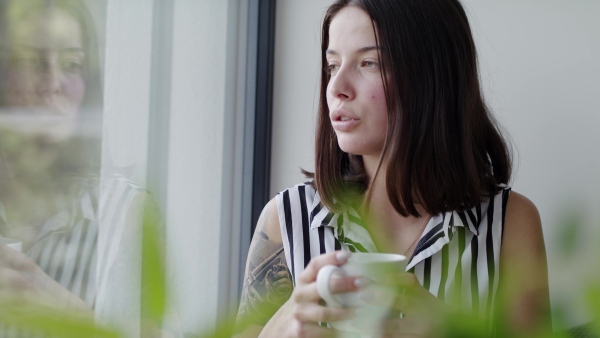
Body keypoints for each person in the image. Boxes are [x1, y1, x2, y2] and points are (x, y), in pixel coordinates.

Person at [234, 0, 550, 337]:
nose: (336, 87)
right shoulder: (285, 221)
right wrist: (277, 330)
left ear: (432, 75)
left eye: (368, 63)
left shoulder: (509, 223)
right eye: (332, 65)